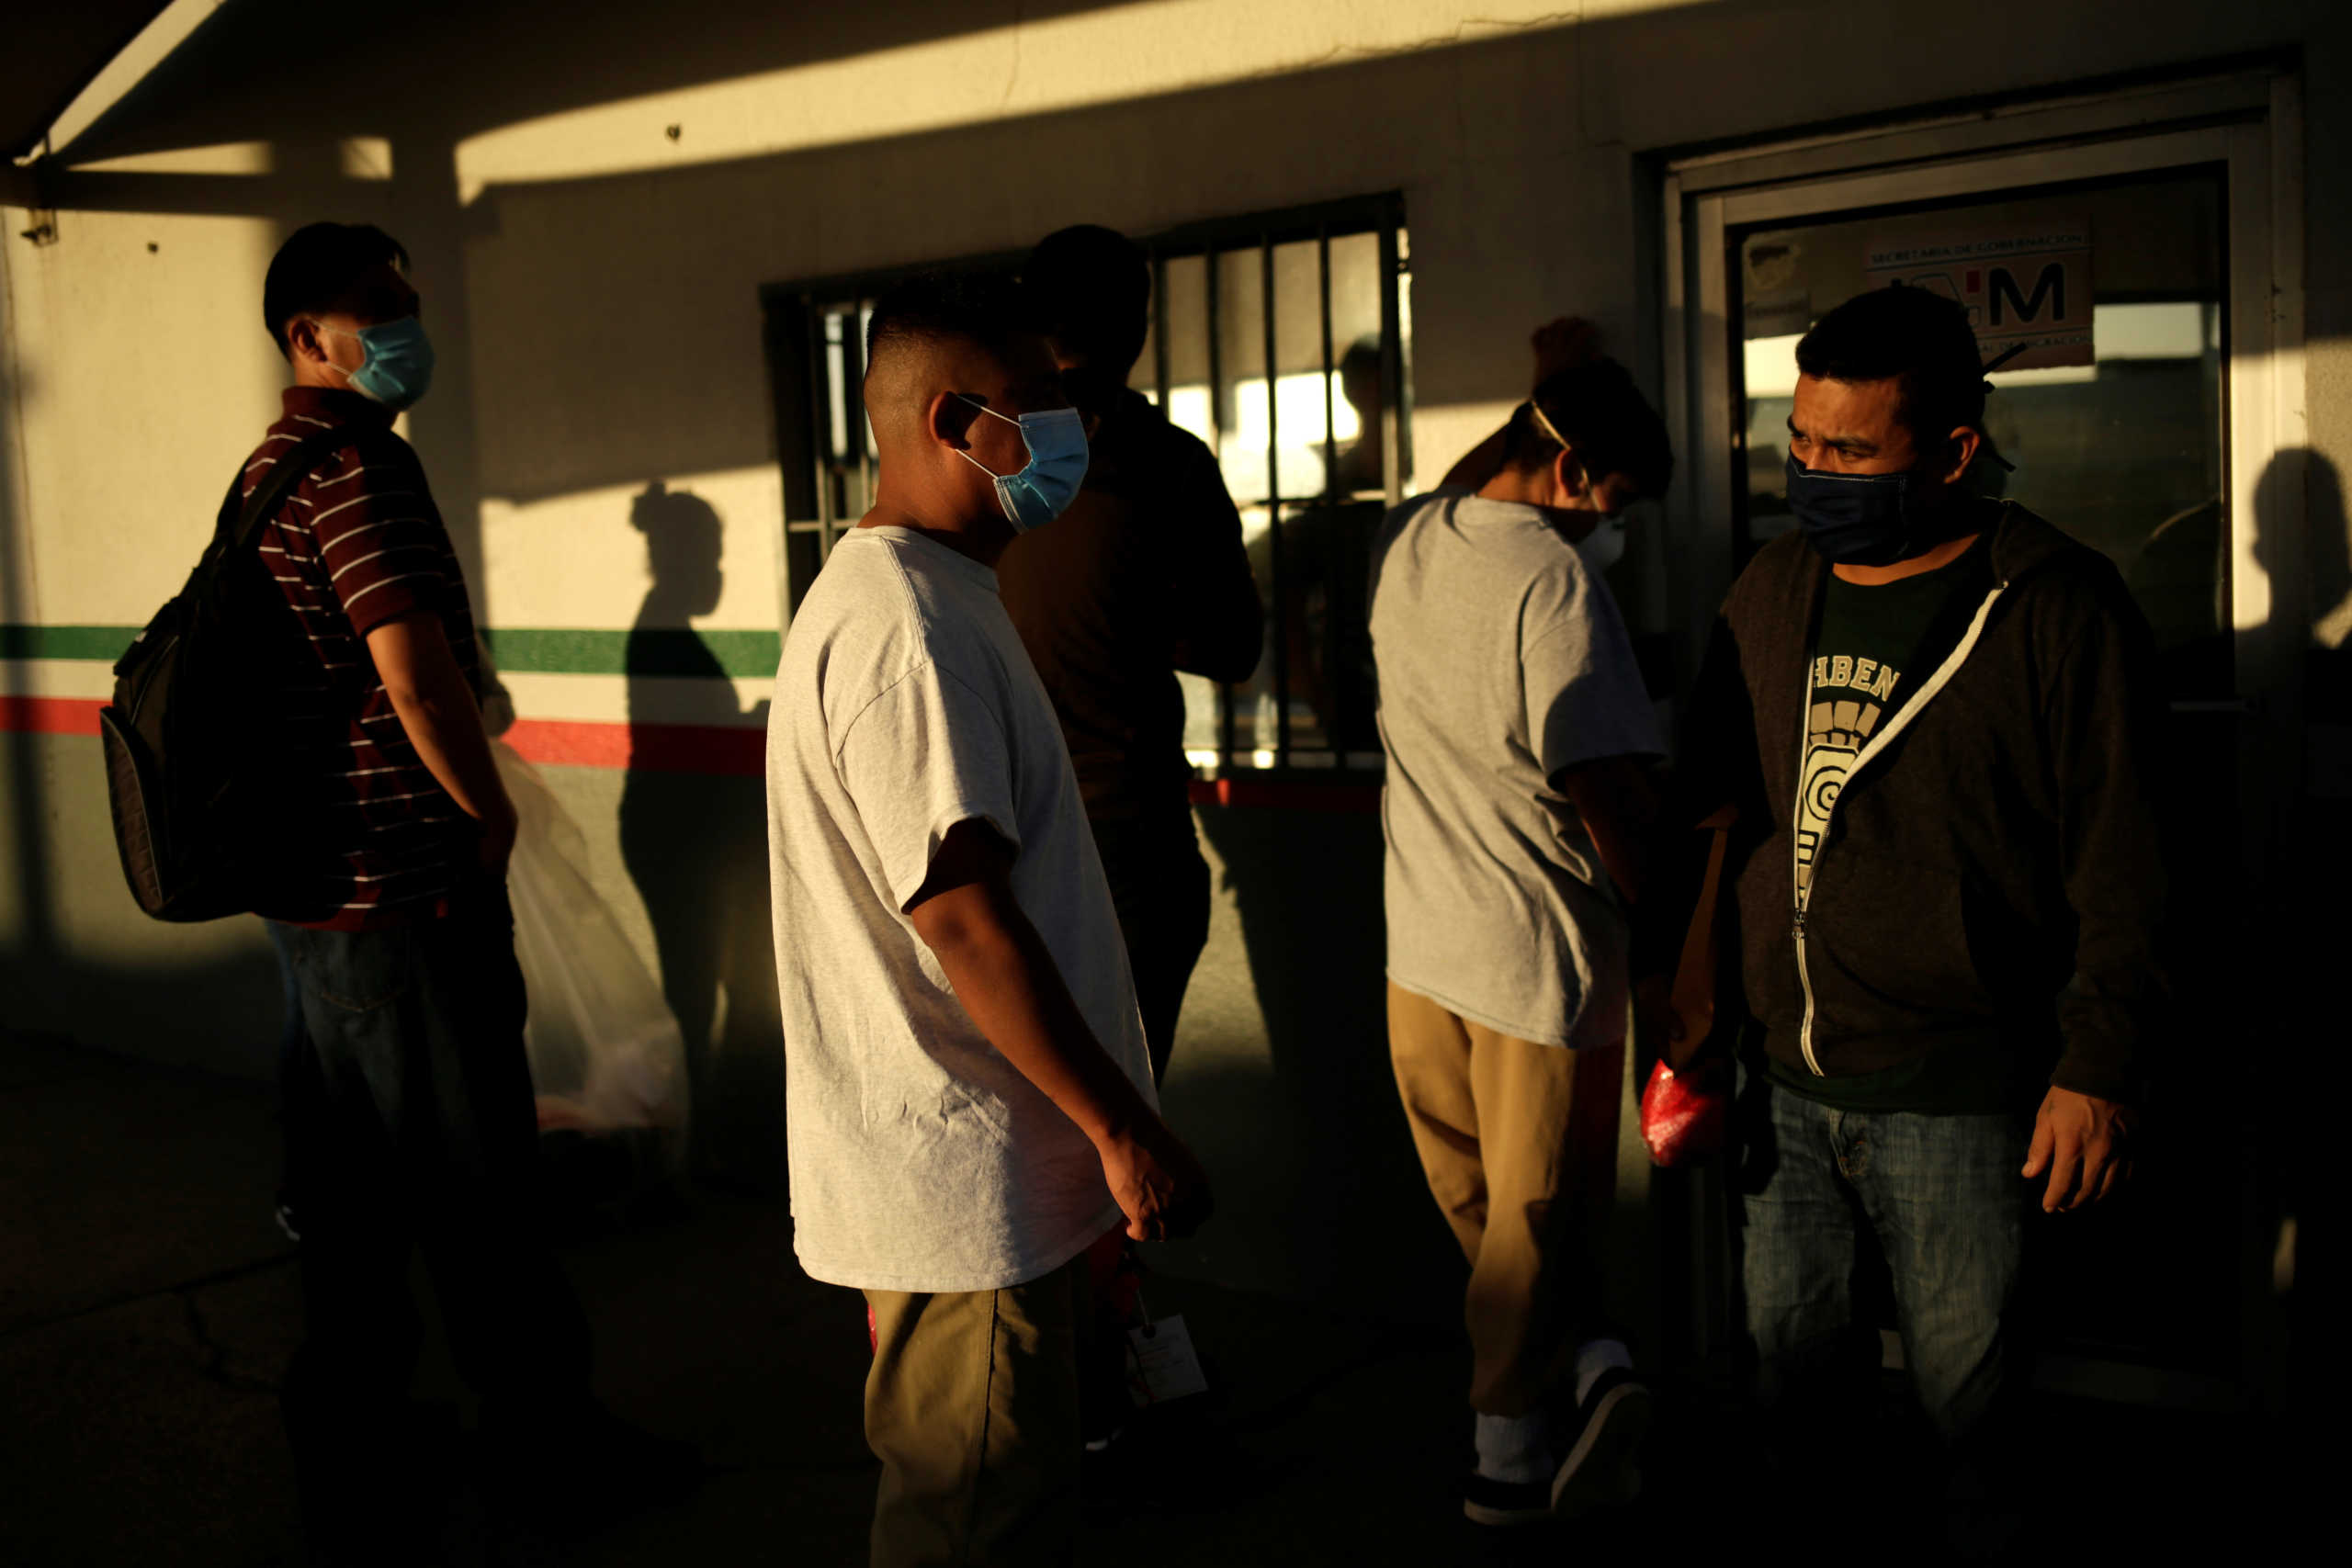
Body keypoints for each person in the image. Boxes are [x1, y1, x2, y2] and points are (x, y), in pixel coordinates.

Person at [1668, 284, 2165, 1501]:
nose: (1813, 472)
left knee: (1972, 1420)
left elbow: (2126, 857)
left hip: (1961, 1094)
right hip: (1786, 1085)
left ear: (1951, 452)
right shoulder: (1772, 588)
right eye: (1800, 441)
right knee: (1792, 1408)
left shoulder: (2055, 604)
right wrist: (1691, 1023)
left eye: (1850, 451)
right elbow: (1716, 820)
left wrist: (2098, 1064)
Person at [245, 223, 685, 1561]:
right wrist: (487, 818)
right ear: (307, 336)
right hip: (406, 891)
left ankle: (356, 1452)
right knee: (480, 1191)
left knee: (354, 1198)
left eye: (407, 304)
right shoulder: (358, 470)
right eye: (377, 308)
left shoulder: (269, 472)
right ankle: (546, 1450)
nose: (404, 329)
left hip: (323, 893)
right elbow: (415, 678)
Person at [765, 272, 1213, 1566]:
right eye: (1041, 404)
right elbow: (963, 921)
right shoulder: (909, 629)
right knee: (972, 1515)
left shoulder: (941, 592)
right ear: (955, 421)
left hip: (991, 1178)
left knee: (1007, 1498)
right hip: (966, 1193)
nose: (1070, 431)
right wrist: (1122, 1131)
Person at [1368, 323, 1674, 1527]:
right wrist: (1670, 945)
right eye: (1614, 502)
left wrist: (1546, 394)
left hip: (1418, 953)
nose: (1611, 528)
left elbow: (1475, 481)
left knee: (1494, 1220)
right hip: (1538, 963)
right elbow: (1602, 784)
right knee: (1535, 1219)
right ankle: (1509, 1452)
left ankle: (1585, 1366)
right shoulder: (1556, 583)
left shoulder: (1409, 537)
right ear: (1572, 471)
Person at [998, 225, 1261, 1082]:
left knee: (1030, 1109)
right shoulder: (1167, 465)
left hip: (996, 828)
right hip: (1126, 833)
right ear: (1139, 329)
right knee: (1122, 1105)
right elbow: (1236, 644)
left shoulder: (987, 455)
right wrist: (1138, 613)